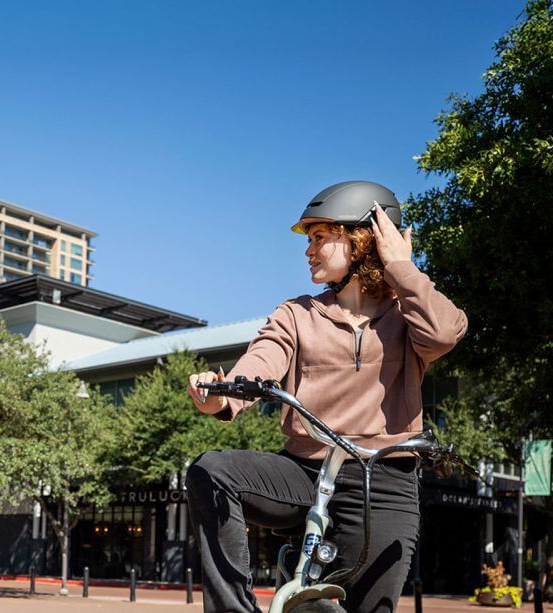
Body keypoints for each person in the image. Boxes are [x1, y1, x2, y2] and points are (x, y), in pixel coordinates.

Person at [184, 181, 468, 612]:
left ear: (360, 239)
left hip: (384, 481)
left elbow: (445, 333)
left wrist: (401, 267)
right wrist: (222, 398)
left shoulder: (407, 316)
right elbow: (261, 360)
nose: (308, 250)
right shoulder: (296, 313)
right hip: (304, 473)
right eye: (310, 240)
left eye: (320, 237)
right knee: (212, 472)